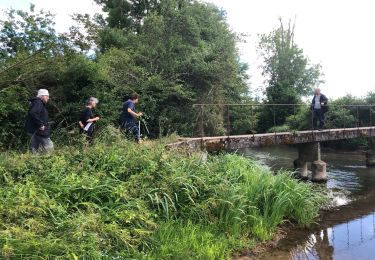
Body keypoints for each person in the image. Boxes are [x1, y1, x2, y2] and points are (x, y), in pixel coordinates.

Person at [25, 89, 54, 153]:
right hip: (39, 130)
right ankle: (52, 159)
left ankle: (35, 161)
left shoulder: (35, 102)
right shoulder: (38, 102)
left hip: (33, 130)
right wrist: (40, 124)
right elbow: (33, 113)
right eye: (47, 96)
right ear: (42, 96)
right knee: (49, 146)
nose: (48, 98)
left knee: (35, 149)